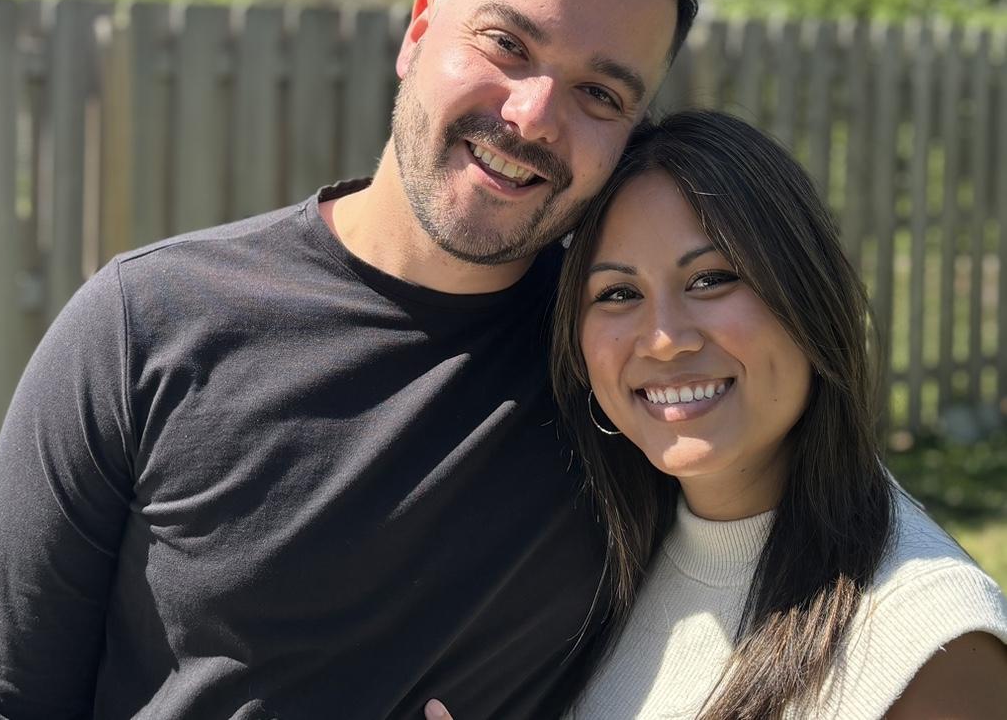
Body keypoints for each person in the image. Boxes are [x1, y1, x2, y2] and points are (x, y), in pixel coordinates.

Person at [0, 0, 701, 719]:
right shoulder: (144, 325)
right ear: (419, 33)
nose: (532, 115)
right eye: (506, 45)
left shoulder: (625, 368)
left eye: (599, 93)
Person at [426, 109, 1007, 720]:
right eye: (619, 293)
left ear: (808, 295)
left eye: (711, 280)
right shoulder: (592, 563)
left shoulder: (931, 646)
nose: (664, 340)